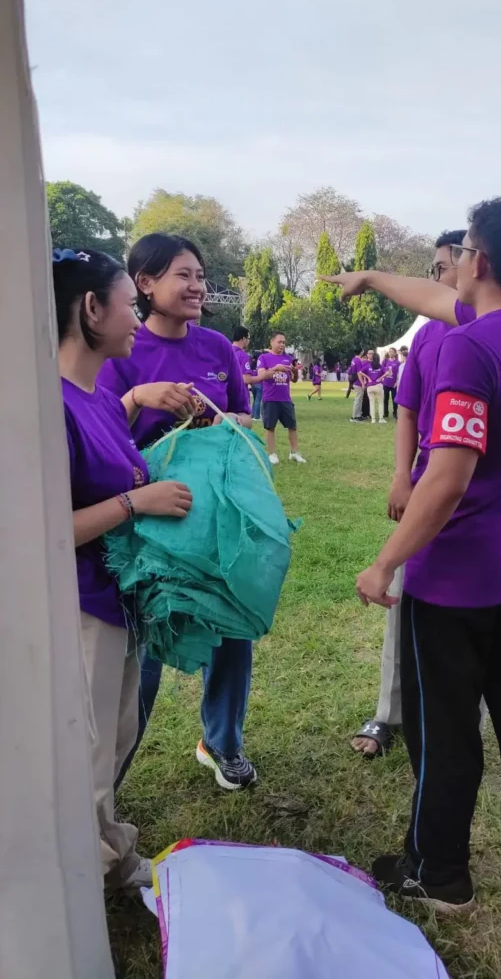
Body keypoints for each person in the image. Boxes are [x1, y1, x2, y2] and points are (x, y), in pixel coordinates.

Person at [324, 196, 501, 918]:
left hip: (454, 582)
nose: (457, 263)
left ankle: (440, 875)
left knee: (444, 735)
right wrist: (372, 278)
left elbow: (446, 479)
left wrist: (384, 563)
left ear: (482, 262)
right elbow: (434, 297)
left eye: (463, 250)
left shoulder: (470, 349)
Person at [98, 233, 258, 792]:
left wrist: (221, 418)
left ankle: (222, 743)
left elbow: (244, 416)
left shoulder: (217, 347)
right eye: (183, 275)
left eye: (200, 276)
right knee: (142, 646)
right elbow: (99, 433)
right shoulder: (122, 347)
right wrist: (139, 397)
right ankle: (109, 775)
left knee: (230, 629)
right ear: (145, 283)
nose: (197, 287)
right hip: (147, 524)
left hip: (213, 514)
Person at [55, 247, 194, 887]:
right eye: (129, 306)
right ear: (91, 308)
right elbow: (44, 531)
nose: (138, 321)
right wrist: (137, 502)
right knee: (83, 754)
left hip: (120, 601)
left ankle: (110, 854)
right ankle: (76, 885)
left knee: (114, 738)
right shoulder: (50, 408)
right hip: (82, 608)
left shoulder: (104, 400)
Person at [351, 230, 467, 758]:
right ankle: (388, 713)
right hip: (425, 486)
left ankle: (460, 715)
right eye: (434, 269)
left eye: (441, 268)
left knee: (469, 614)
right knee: (403, 601)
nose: (435, 278)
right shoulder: (427, 336)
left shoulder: (493, 332)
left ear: (474, 266)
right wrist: (402, 474)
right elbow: (407, 409)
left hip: (475, 499)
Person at [255, 334, 306, 464]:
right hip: (270, 398)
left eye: (283, 342)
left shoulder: (288, 359)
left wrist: (295, 372)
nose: (282, 345)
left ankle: (294, 453)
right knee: (270, 427)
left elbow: (294, 380)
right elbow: (261, 375)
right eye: (279, 342)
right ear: (272, 342)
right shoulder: (264, 358)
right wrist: (275, 368)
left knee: (292, 426)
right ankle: (272, 454)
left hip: (285, 399)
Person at [359, 352, 390, 424]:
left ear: (372, 358)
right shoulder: (380, 366)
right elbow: (387, 373)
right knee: (380, 402)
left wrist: (368, 378)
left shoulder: (368, 366)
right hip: (378, 385)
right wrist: (380, 378)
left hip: (370, 386)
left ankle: (373, 419)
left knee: (371, 403)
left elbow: (360, 372)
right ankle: (381, 419)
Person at [382, 347, 400, 419]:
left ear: (395, 353)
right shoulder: (385, 361)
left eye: (392, 351)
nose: (390, 353)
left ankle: (395, 413)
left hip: (393, 383)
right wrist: (382, 378)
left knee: (394, 399)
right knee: (385, 399)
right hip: (386, 383)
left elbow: (399, 373)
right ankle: (385, 413)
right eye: (389, 351)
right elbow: (382, 370)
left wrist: (396, 382)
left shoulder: (397, 362)